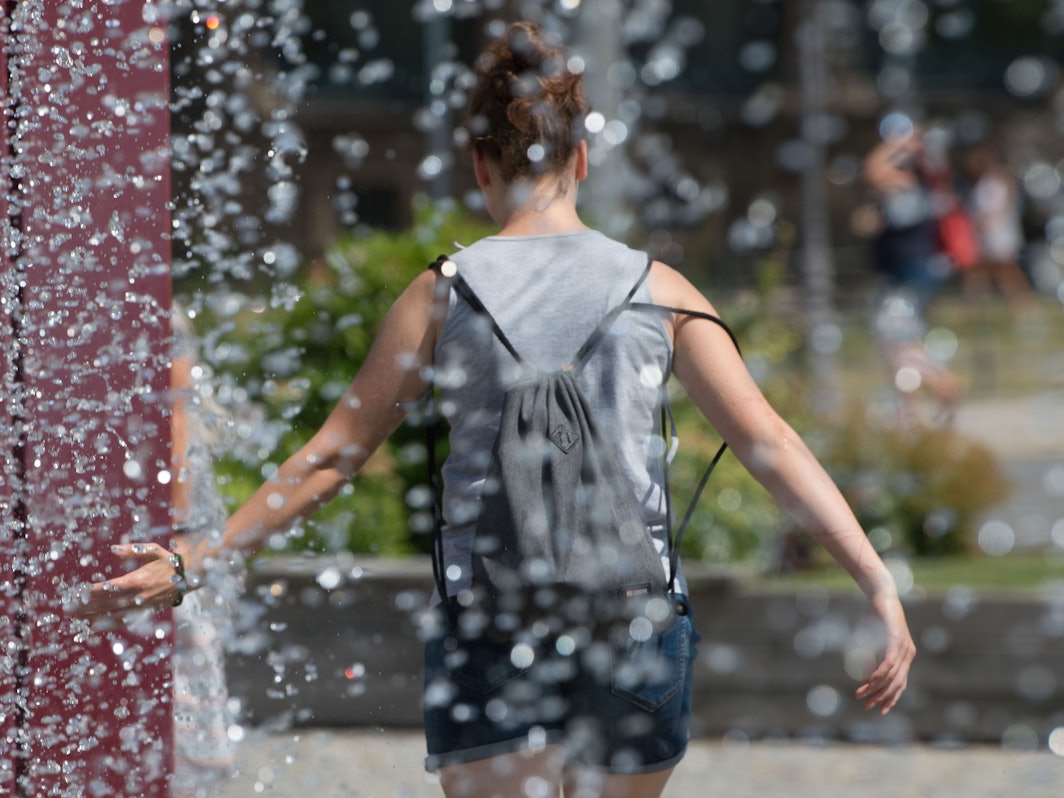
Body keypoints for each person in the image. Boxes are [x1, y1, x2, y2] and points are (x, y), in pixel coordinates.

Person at [74, 22, 915, 798]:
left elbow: (334, 456)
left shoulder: (441, 294)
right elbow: (767, 441)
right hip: (633, 622)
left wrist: (197, 562)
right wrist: (877, 585)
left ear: (479, 165)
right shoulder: (661, 292)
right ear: (581, 159)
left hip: (488, 622)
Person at [169, 307, 239, 797]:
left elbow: (175, 409)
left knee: (184, 676)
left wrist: (177, 531)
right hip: (178, 527)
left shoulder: (151, 306)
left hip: (177, 529)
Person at [862, 124, 963, 425]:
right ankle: (910, 411)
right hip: (915, 272)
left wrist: (898, 142)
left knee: (896, 343)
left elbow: (871, 170)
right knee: (902, 343)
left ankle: (944, 386)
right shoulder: (929, 187)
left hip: (903, 275)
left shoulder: (906, 184)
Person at [961, 143, 1034, 314]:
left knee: (1005, 269)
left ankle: (1022, 302)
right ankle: (976, 304)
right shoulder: (985, 181)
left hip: (998, 231)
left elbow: (1002, 206)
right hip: (988, 231)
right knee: (981, 268)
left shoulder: (999, 180)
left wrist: (986, 221)